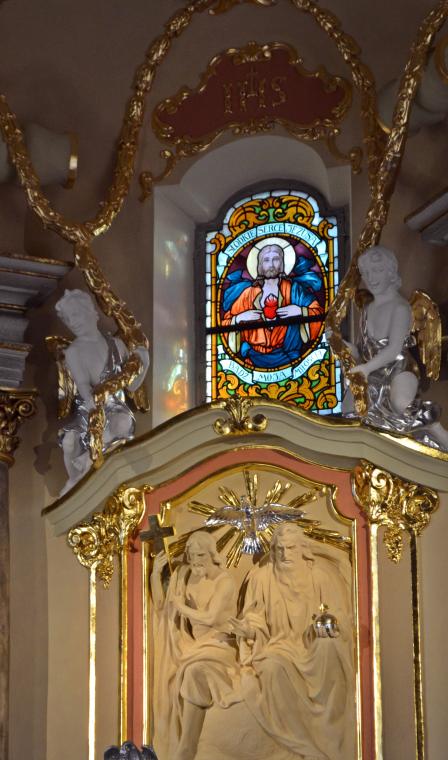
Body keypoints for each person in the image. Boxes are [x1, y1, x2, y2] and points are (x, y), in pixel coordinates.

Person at [229, 524, 354, 760]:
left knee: (330, 647)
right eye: (280, 549)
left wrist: (328, 626)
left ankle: (328, 734)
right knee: (270, 667)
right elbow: (255, 618)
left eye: (291, 548)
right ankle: (298, 743)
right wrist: (249, 630)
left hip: (314, 648)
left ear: (303, 549)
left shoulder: (320, 577)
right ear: (273, 550)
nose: (285, 554)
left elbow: (340, 617)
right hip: (279, 648)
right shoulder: (262, 578)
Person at [348, 245, 448, 449]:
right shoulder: (367, 309)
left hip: (399, 369)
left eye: (377, 271)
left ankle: (439, 433)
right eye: (367, 273)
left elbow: (394, 349)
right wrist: (343, 346)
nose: (372, 278)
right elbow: (362, 351)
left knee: (401, 404)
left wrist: (365, 368)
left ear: (390, 272)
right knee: (350, 406)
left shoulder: (400, 307)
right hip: (373, 372)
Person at [151, 532, 238, 760]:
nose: (195, 561)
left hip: (221, 644)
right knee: (178, 674)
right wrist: (155, 574)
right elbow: (162, 606)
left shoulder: (225, 581)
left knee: (193, 671)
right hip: (194, 645)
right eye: (191, 556)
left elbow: (210, 618)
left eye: (201, 555)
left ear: (212, 554)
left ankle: (187, 746)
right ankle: (184, 743)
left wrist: (181, 606)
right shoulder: (185, 575)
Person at [55, 289, 149, 494]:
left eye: (76, 314)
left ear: (92, 312)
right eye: (68, 319)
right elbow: (82, 385)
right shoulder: (73, 352)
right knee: (69, 442)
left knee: (122, 424)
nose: (73, 322)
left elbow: (132, 385)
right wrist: (92, 405)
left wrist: (143, 361)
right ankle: (75, 484)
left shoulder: (117, 345)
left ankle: (90, 462)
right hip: (88, 407)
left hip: (115, 406)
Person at [222, 239, 323, 368]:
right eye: (266, 260)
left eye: (275, 259)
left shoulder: (294, 290)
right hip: (253, 359)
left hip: (290, 357)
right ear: (260, 265)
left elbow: (319, 313)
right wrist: (239, 318)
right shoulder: (249, 294)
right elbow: (226, 324)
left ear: (282, 263)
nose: (271, 264)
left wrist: (300, 311)